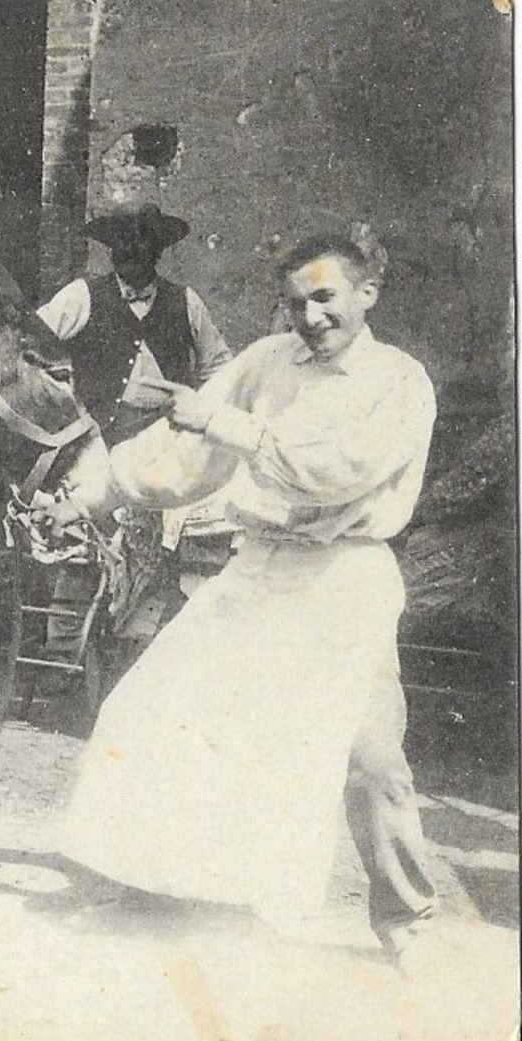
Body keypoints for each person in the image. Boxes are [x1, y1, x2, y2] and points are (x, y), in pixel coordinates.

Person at [34, 233, 441, 962]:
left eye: (324, 297)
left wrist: (223, 422)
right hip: (257, 565)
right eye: (295, 303)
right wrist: (90, 495)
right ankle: (144, 888)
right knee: (151, 709)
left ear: (365, 294)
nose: (310, 317)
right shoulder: (263, 361)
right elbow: (187, 450)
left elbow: (333, 471)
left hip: (343, 577)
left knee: (367, 756)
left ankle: (405, 918)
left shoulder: (397, 380)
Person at [37, 201, 234, 447]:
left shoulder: (187, 301)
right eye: (124, 242)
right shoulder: (80, 296)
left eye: (144, 242)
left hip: (170, 442)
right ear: (112, 250)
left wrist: (200, 416)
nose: (134, 250)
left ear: (158, 250)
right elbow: (31, 347)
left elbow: (221, 370)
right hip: (97, 444)